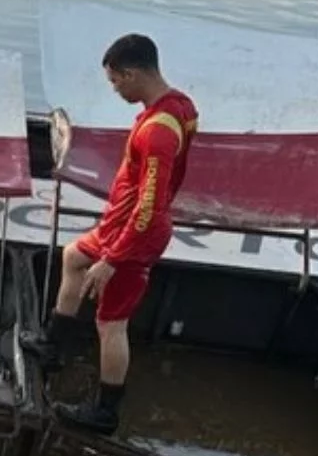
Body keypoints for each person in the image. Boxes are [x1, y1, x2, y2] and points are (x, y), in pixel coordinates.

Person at [22, 32, 197, 434]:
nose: (115, 89)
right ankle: (53, 346)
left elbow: (150, 207)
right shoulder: (179, 106)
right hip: (118, 222)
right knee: (72, 257)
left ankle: (105, 412)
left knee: (111, 324)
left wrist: (113, 259)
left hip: (136, 235)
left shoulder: (159, 133)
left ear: (132, 74)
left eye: (115, 81)